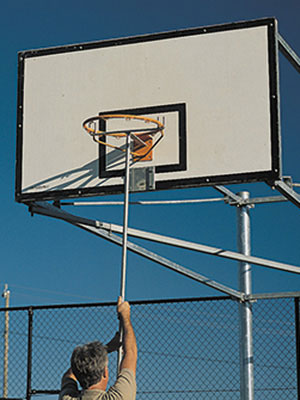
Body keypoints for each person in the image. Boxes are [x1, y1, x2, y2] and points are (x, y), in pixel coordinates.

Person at [59, 297, 137, 400]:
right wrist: (125, 315)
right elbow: (130, 353)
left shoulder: (66, 398)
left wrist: (103, 351)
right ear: (105, 373)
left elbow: (69, 374)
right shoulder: (118, 397)